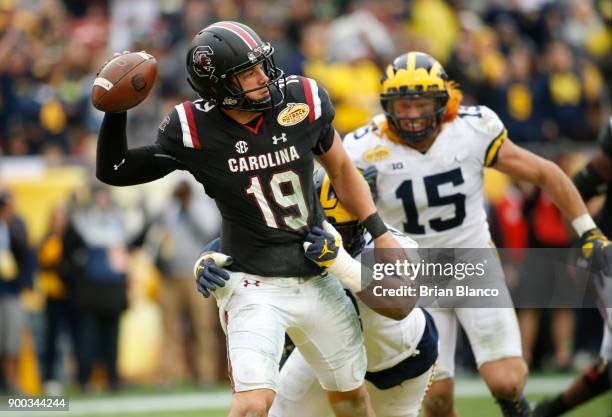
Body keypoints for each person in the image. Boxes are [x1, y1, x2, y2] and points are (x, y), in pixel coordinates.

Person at [96, 21, 404, 417]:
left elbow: (342, 169)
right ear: (218, 87)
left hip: (317, 271)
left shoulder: (302, 98)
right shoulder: (193, 128)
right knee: (251, 405)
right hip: (254, 284)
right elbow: (116, 169)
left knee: (350, 400)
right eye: (247, 73)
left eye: (262, 65)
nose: (263, 78)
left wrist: (380, 232)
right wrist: (117, 112)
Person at [340, 51, 611, 417]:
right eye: (403, 104)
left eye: (422, 103)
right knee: (435, 397)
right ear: (388, 105)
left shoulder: (472, 128)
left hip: (472, 262)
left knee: (508, 381)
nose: (413, 114)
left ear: (445, 101)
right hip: (412, 273)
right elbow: (333, 207)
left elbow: (546, 172)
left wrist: (587, 229)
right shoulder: (362, 147)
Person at [532, 117, 612, 417]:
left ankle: (546, 412)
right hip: (608, 257)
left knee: (607, 367)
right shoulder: (606, 160)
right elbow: (573, 193)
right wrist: (581, 247)